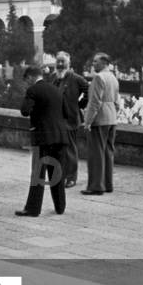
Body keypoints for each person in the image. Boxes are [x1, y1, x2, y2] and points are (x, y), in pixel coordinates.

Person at [16, 66, 74, 217]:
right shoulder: (56, 90)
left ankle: (33, 209)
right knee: (57, 173)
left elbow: (24, 111)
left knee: (38, 174)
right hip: (60, 137)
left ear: (29, 77)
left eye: (26, 80)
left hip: (42, 138)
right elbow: (67, 113)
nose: (27, 84)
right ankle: (60, 207)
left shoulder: (33, 90)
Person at [49, 51, 89, 188]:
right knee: (58, 149)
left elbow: (89, 90)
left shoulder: (76, 78)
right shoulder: (53, 78)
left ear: (68, 63)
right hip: (56, 120)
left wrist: (79, 105)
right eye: (58, 61)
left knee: (70, 149)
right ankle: (61, 175)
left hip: (70, 119)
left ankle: (71, 177)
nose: (60, 64)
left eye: (63, 62)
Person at [82, 52, 119, 195]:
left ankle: (96, 186)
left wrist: (88, 121)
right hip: (111, 119)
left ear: (104, 63)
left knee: (96, 154)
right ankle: (107, 184)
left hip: (100, 119)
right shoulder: (113, 78)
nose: (93, 64)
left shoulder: (98, 78)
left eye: (96, 62)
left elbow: (95, 102)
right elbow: (117, 102)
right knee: (108, 152)